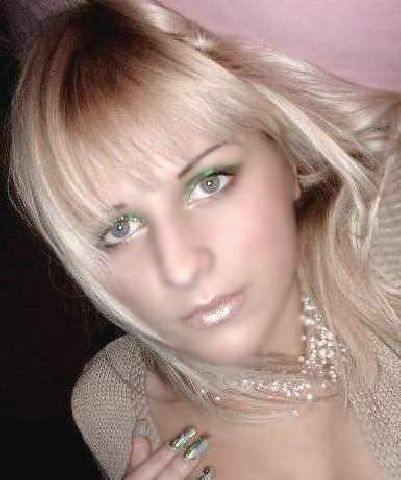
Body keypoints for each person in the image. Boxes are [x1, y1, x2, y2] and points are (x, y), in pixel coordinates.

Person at [8, 0, 401, 478]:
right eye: (120, 228)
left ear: (289, 162)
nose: (179, 266)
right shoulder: (111, 402)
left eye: (209, 183)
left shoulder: (384, 270)